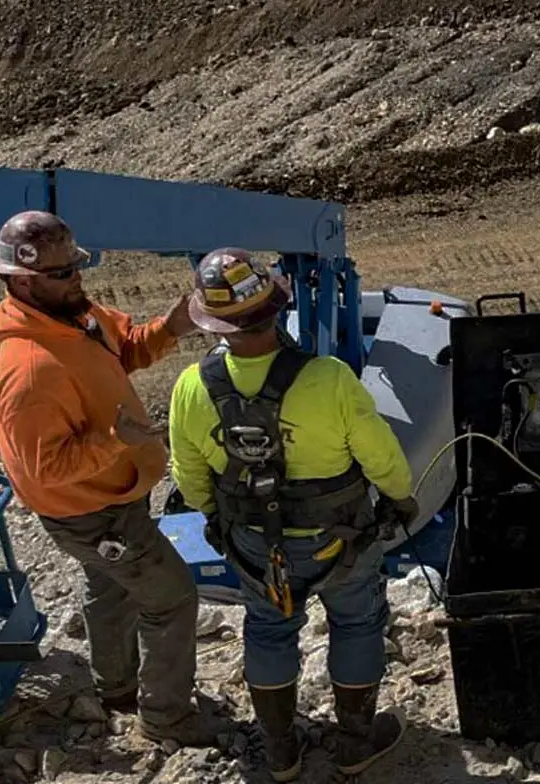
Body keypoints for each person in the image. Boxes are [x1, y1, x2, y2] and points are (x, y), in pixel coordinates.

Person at [166, 248, 417, 780]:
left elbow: (188, 476)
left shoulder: (191, 388)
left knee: (269, 628)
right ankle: (354, 741)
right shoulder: (328, 379)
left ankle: (281, 751)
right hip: (339, 537)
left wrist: (219, 517)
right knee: (357, 622)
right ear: (277, 308)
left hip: (255, 542)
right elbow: (381, 456)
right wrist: (401, 497)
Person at [0, 210, 219, 747]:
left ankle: (117, 691)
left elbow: (126, 347)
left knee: (109, 588)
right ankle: (166, 720)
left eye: (77, 266)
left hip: (112, 499)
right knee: (172, 597)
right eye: (64, 273)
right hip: (90, 514)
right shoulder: (29, 369)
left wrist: (172, 326)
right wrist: (118, 441)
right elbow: (46, 471)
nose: (78, 279)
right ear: (22, 280)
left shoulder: (79, 319)